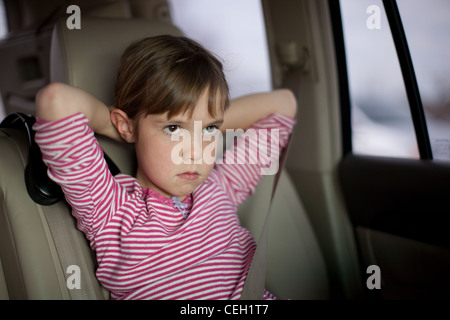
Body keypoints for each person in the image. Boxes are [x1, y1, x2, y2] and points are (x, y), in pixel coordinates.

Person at [34, 35, 297, 300]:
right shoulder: (111, 211)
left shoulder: (222, 186)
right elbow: (56, 101)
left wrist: (198, 113)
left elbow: (285, 104)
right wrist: (128, 129)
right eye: (173, 128)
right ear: (125, 125)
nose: (195, 151)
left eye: (209, 129)